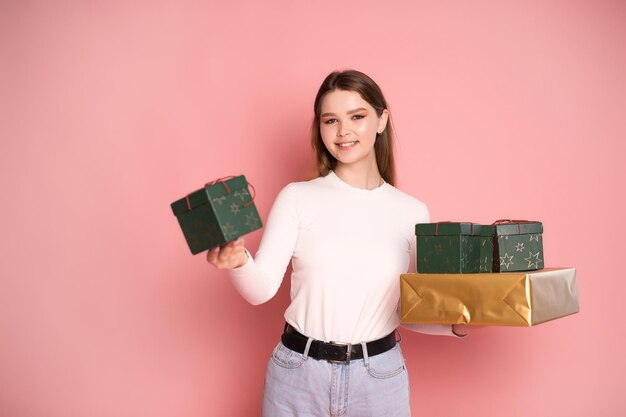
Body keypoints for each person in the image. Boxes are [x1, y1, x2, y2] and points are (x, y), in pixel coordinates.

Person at [207, 69, 471, 417]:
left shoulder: (412, 212)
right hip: (297, 376)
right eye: (330, 120)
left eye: (357, 117)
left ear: (381, 120)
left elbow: (409, 309)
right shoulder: (297, 198)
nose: (343, 131)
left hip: (379, 379)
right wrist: (239, 261)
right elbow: (261, 289)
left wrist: (457, 325)